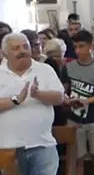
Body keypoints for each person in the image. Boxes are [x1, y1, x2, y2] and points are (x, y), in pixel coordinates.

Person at [0, 33, 65, 175]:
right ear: (4, 53)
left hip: (43, 145)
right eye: (16, 48)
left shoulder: (45, 69)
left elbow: (59, 97)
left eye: (25, 46)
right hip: (8, 148)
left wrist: (38, 94)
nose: (22, 51)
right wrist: (16, 100)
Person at [61, 31, 94, 175]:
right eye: (76, 47)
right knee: (78, 158)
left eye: (81, 46)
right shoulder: (68, 67)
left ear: (91, 46)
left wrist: (88, 101)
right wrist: (67, 100)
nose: (78, 50)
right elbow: (64, 90)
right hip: (75, 118)